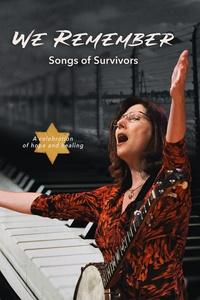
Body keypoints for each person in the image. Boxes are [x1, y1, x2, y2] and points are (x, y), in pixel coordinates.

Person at [0, 50, 191, 299]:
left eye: (134, 118)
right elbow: (47, 204)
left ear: (156, 131)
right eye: (119, 120)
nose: (120, 123)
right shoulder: (108, 200)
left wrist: (177, 98)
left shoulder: (170, 189)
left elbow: (175, 151)